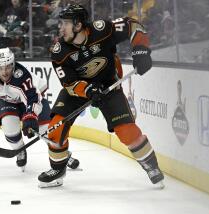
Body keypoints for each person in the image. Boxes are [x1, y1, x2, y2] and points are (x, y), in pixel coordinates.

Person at [38, 4, 164, 188]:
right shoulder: (59, 51)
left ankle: (151, 166)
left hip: (108, 85)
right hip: (79, 89)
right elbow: (69, 84)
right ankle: (58, 170)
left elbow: (133, 24)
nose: (60, 28)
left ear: (78, 25)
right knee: (55, 132)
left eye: (65, 24)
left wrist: (141, 50)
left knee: (127, 133)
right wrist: (88, 90)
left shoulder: (101, 29)